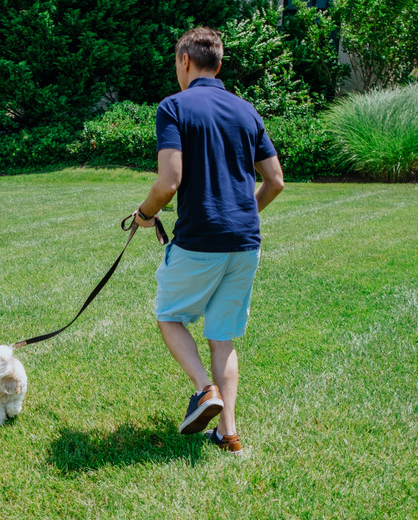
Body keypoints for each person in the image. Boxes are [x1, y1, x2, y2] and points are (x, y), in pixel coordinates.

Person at [133, 27, 284, 455]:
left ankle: (204, 390)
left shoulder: (174, 107)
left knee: (168, 315)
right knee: (223, 336)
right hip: (245, 244)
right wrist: (241, 216)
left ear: (185, 62)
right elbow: (274, 181)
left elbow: (169, 180)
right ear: (218, 65)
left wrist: (145, 214)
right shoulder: (246, 111)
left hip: (199, 241)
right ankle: (228, 434)